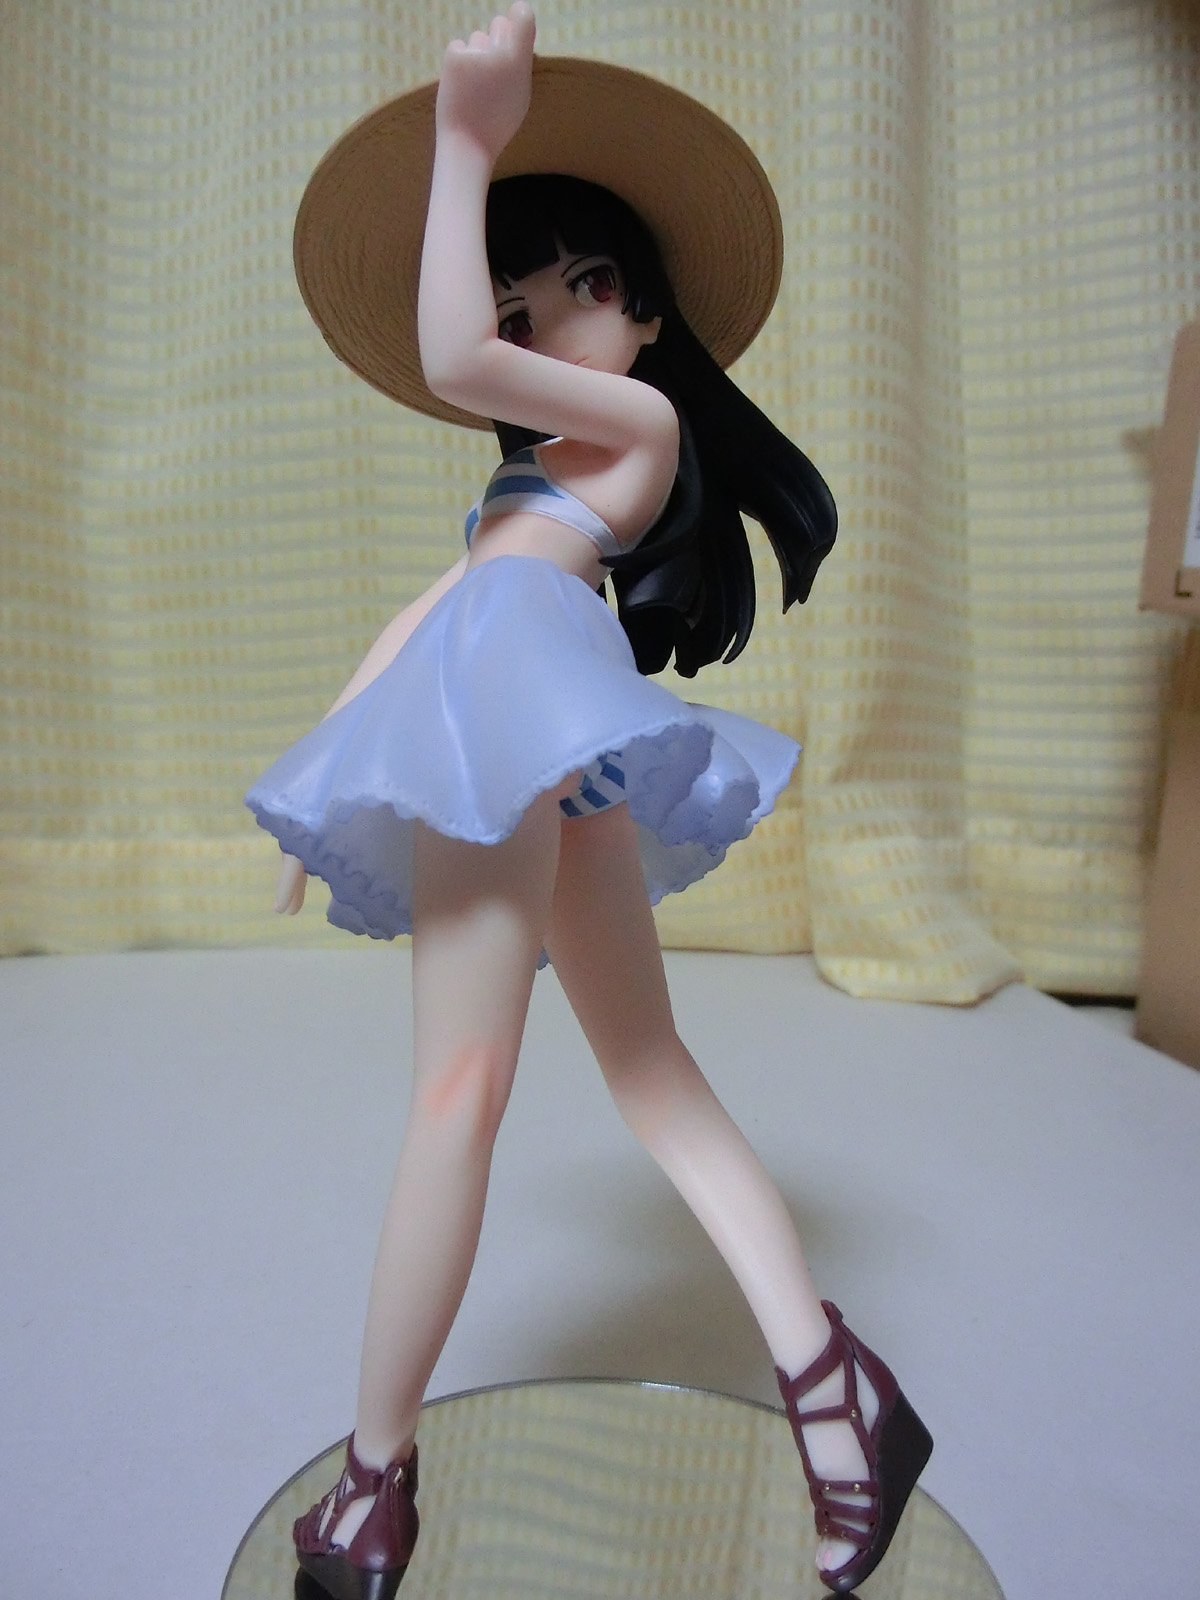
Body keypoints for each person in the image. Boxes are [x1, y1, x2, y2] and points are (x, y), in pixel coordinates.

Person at [246, 9, 930, 1597]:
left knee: (458, 1093)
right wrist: (317, 772)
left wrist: (466, 142)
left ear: (651, 314)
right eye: (520, 305)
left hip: (526, 720)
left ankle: (372, 1484)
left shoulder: (644, 427)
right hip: (532, 726)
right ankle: (838, 1394)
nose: (549, 327)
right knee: (649, 1072)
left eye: (587, 288)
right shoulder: (521, 490)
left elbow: (450, 363)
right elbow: (421, 617)